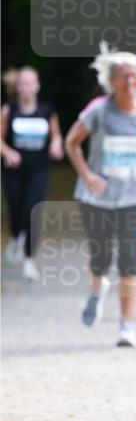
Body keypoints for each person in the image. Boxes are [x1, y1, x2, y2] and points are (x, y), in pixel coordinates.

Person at [65, 47, 136, 347]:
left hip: (135, 196)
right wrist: (87, 175)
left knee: (128, 261)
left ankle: (126, 325)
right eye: (124, 77)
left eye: (135, 76)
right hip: (97, 196)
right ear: (112, 81)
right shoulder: (99, 110)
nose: (131, 81)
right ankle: (96, 292)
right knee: (100, 258)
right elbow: (72, 143)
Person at [1, 66, 64, 280]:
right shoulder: (8, 110)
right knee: (16, 210)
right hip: (14, 170)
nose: (26, 87)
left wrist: (56, 145)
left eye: (30, 83)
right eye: (23, 83)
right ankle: (15, 236)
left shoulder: (47, 111)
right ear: (18, 87)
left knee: (33, 211)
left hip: (39, 168)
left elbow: (56, 136)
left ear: (37, 86)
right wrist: (8, 152)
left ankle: (29, 260)